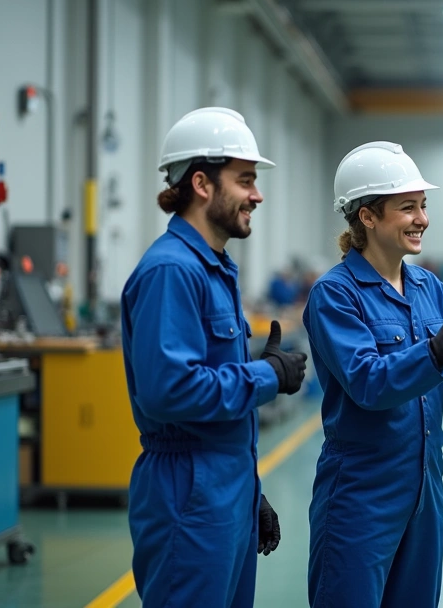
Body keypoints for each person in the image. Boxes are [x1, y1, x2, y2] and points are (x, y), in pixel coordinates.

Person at [303, 141, 443, 608]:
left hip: (425, 490)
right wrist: (431, 353)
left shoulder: (428, 286)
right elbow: (367, 382)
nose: (423, 219)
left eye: (424, 206)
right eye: (408, 207)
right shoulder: (336, 295)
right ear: (367, 216)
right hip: (360, 495)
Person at [120, 107, 308, 607]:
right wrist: (266, 376)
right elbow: (170, 390)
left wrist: (250, 492)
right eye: (245, 180)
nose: (257, 194)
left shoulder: (215, 269)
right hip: (189, 494)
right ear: (202, 184)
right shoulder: (172, 272)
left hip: (224, 490)